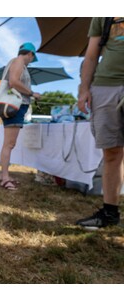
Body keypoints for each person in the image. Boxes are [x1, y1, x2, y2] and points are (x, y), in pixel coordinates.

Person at [76, 17, 124, 230]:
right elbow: (92, 54)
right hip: (105, 86)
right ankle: (110, 212)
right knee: (111, 153)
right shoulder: (103, 15)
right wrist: (84, 88)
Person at [0, 42, 41, 190]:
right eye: (32, 57)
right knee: (9, 144)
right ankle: (5, 177)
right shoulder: (19, 61)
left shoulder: (18, 63)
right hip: (15, 106)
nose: (31, 60)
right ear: (30, 54)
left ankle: (3, 175)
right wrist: (32, 93)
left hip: (16, 106)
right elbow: (13, 82)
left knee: (9, 144)